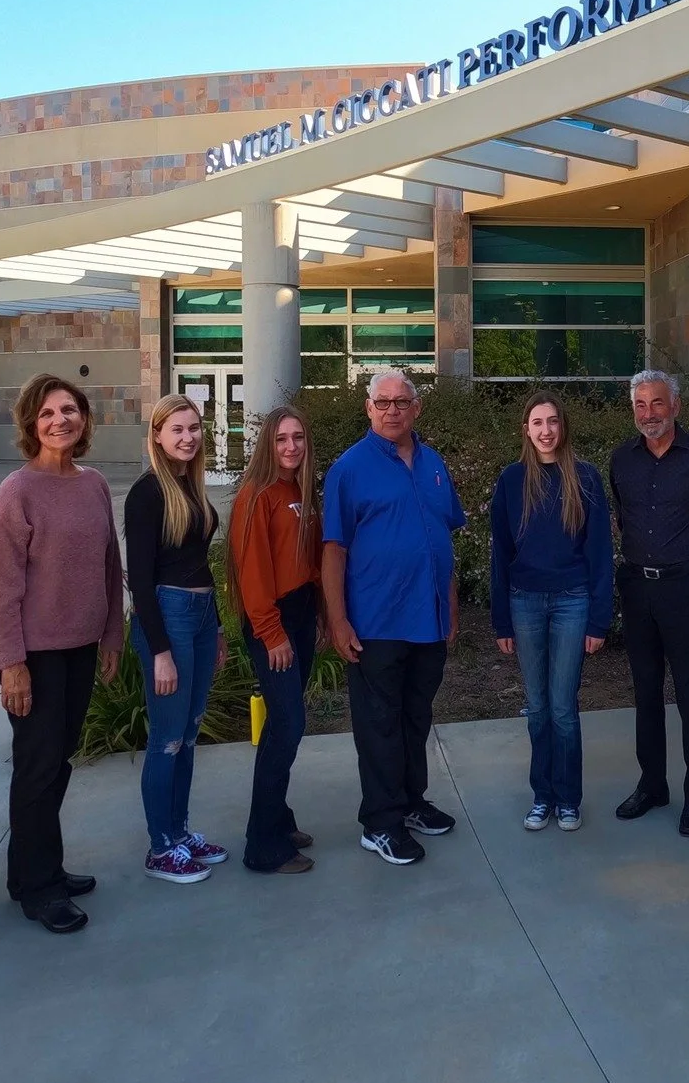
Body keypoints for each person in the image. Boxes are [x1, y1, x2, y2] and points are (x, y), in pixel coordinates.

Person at [0, 374, 124, 933]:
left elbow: (109, 565)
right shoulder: (18, 491)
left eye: (69, 410)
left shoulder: (94, 485)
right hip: (34, 655)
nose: (60, 421)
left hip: (81, 648)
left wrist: (112, 635)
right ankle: (39, 889)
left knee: (57, 763)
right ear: (31, 425)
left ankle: (33, 870)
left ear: (84, 418)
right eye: (46, 414)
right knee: (38, 769)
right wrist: (10, 664)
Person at [322, 372, 467, 866]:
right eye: (382, 402)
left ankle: (409, 802)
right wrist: (338, 620)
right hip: (375, 622)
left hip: (428, 618)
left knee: (415, 717)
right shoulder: (348, 469)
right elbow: (334, 550)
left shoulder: (433, 463)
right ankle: (380, 823)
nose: (392, 410)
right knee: (379, 724)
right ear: (368, 408)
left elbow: (442, 539)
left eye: (401, 402)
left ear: (416, 408)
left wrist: (450, 603)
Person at [608, 369, 689, 837]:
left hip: (684, 587)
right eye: (640, 405)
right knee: (645, 691)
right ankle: (652, 785)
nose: (649, 413)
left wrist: (686, 559)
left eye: (657, 403)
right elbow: (623, 515)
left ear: (675, 405)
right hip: (637, 587)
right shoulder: (622, 459)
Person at [490, 391, 614, 833]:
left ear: (563, 426)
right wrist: (501, 620)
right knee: (537, 706)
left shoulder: (585, 478)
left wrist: (599, 618)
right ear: (526, 429)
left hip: (572, 602)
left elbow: (600, 552)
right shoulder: (511, 480)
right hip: (524, 601)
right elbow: (500, 553)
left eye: (553, 421)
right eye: (538, 422)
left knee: (563, 707)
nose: (546, 430)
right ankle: (541, 795)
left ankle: (567, 798)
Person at [124, 393, 231, 885]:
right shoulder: (147, 493)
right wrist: (160, 652)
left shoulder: (191, 485)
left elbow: (200, 564)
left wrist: (219, 627)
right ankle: (160, 847)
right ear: (158, 436)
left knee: (188, 736)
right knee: (167, 739)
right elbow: (141, 581)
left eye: (194, 428)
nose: (188, 437)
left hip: (201, 616)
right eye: (177, 430)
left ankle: (180, 832)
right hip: (168, 618)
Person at [229, 404, 322, 875]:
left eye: (298, 437)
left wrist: (318, 615)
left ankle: (277, 817)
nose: (291, 446)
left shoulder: (301, 490)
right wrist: (272, 633)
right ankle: (262, 845)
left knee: (281, 725)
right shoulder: (257, 494)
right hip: (274, 620)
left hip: (302, 614)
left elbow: (308, 559)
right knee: (288, 723)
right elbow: (253, 573)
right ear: (268, 443)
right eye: (282, 438)